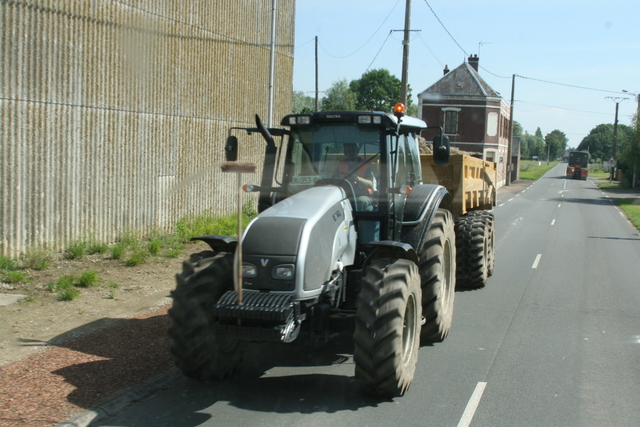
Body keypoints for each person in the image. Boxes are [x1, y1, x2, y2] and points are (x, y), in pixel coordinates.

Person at [336, 143, 376, 211]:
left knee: (359, 202)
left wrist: (357, 178)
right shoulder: (341, 164)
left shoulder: (365, 165)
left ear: (357, 152)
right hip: (345, 194)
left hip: (364, 195)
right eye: (348, 151)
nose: (351, 152)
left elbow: (371, 184)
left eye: (353, 150)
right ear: (345, 153)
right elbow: (334, 179)